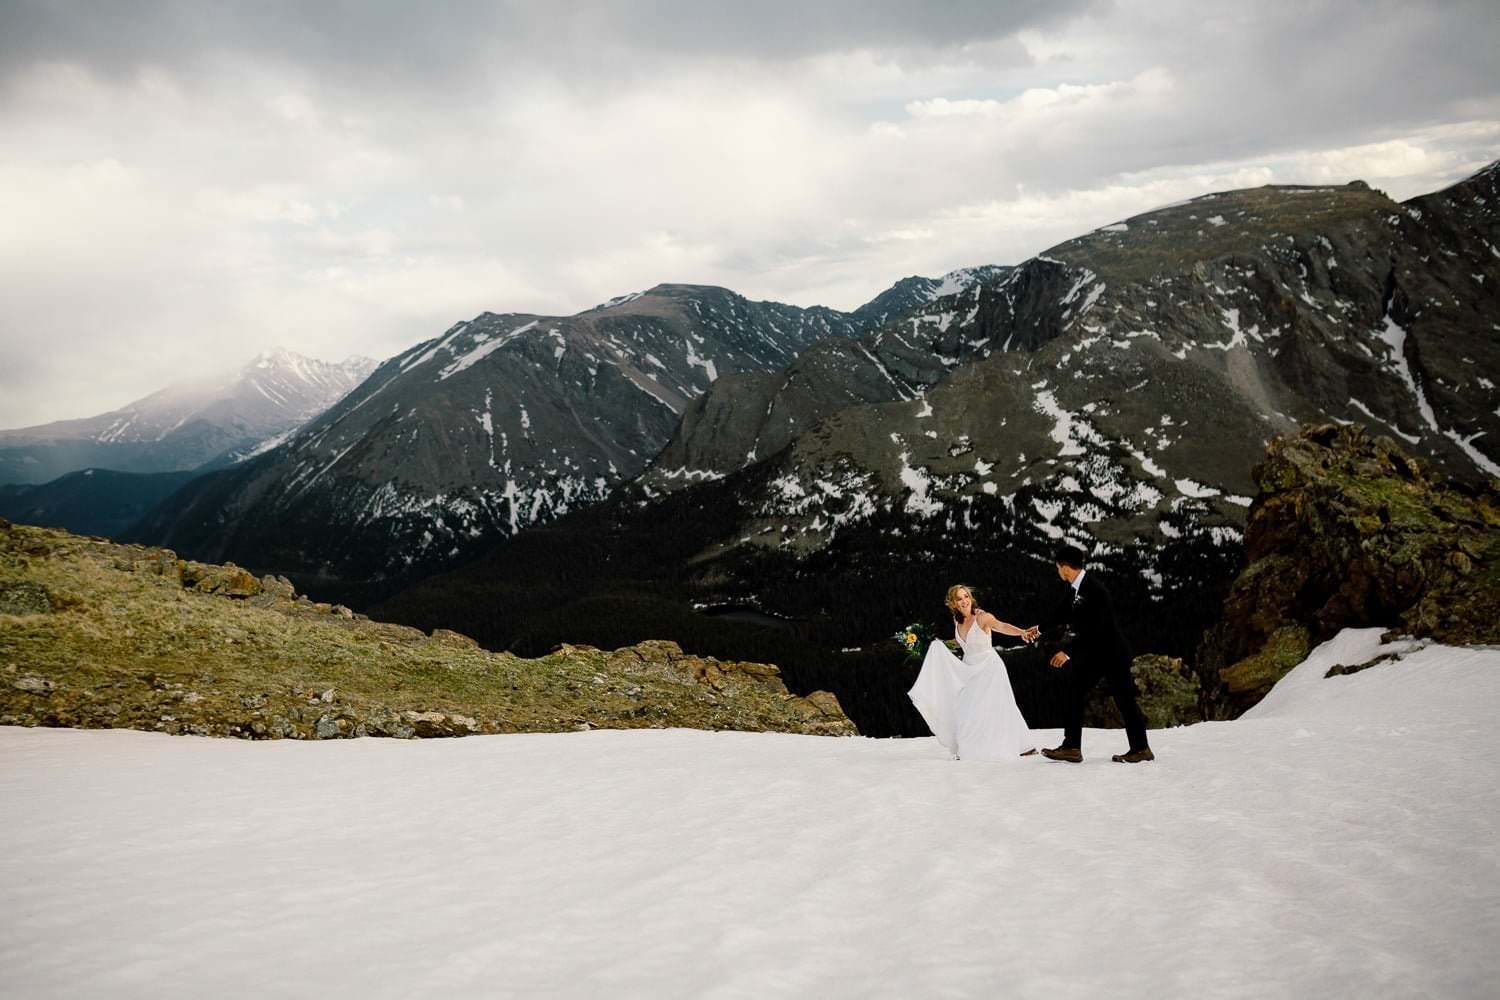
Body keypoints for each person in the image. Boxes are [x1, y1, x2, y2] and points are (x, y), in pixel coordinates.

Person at [1022, 543, 1154, 763]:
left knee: (1124, 699)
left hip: (1112, 653)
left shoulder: (1095, 591)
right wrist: (1039, 629)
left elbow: (1098, 630)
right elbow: (1062, 613)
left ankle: (1141, 749)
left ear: (1065, 568)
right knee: (1073, 689)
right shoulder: (1077, 587)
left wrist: (1068, 652)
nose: (1058, 571)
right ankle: (1072, 747)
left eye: (1058, 567)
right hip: (1096, 653)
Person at [907, 585, 1037, 761]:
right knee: (967, 708)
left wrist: (1022, 632)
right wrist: (939, 645)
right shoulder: (957, 620)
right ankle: (1019, 745)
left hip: (989, 667)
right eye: (959, 598)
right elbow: (962, 643)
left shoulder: (982, 617)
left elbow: (1001, 626)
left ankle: (1018, 746)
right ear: (953, 603)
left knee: (998, 705)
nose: (964, 601)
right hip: (969, 668)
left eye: (966, 596)